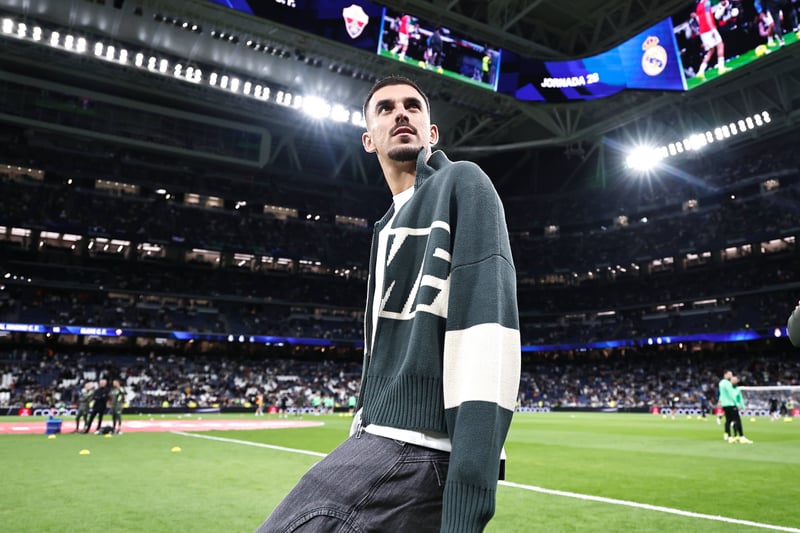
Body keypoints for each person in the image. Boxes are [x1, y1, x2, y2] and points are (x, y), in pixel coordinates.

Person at [254, 75, 521, 533]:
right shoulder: (385, 227)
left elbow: (488, 336)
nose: (400, 113)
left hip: (418, 447)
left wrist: (467, 501)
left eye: (412, 106)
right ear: (368, 140)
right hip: (381, 435)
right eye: (385, 108)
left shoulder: (464, 182)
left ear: (431, 132)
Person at [691, 0, 730, 78]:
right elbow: (707, 15)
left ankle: (700, 71)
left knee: (710, 51)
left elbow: (699, 19)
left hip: (703, 31)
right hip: (709, 28)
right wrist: (712, 28)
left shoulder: (698, 5)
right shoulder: (707, 2)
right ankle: (721, 68)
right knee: (720, 45)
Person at [729, 376, 753, 443]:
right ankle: (739, 437)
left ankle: (736, 436)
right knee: (736, 421)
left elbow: (740, 398)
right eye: (733, 380)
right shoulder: (729, 389)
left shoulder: (737, 389)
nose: (735, 381)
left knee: (736, 421)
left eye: (736, 380)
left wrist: (743, 406)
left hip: (734, 406)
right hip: (730, 406)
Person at [717, 370, 736, 441]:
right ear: (725, 374)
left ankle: (728, 434)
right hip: (727, 403)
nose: (731, 376)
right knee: (729, 419)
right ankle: (728, 435)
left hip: (729, 403)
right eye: (730, 374)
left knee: (730, 419)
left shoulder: (724, 382)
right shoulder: (724, 383)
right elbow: (728, 393)